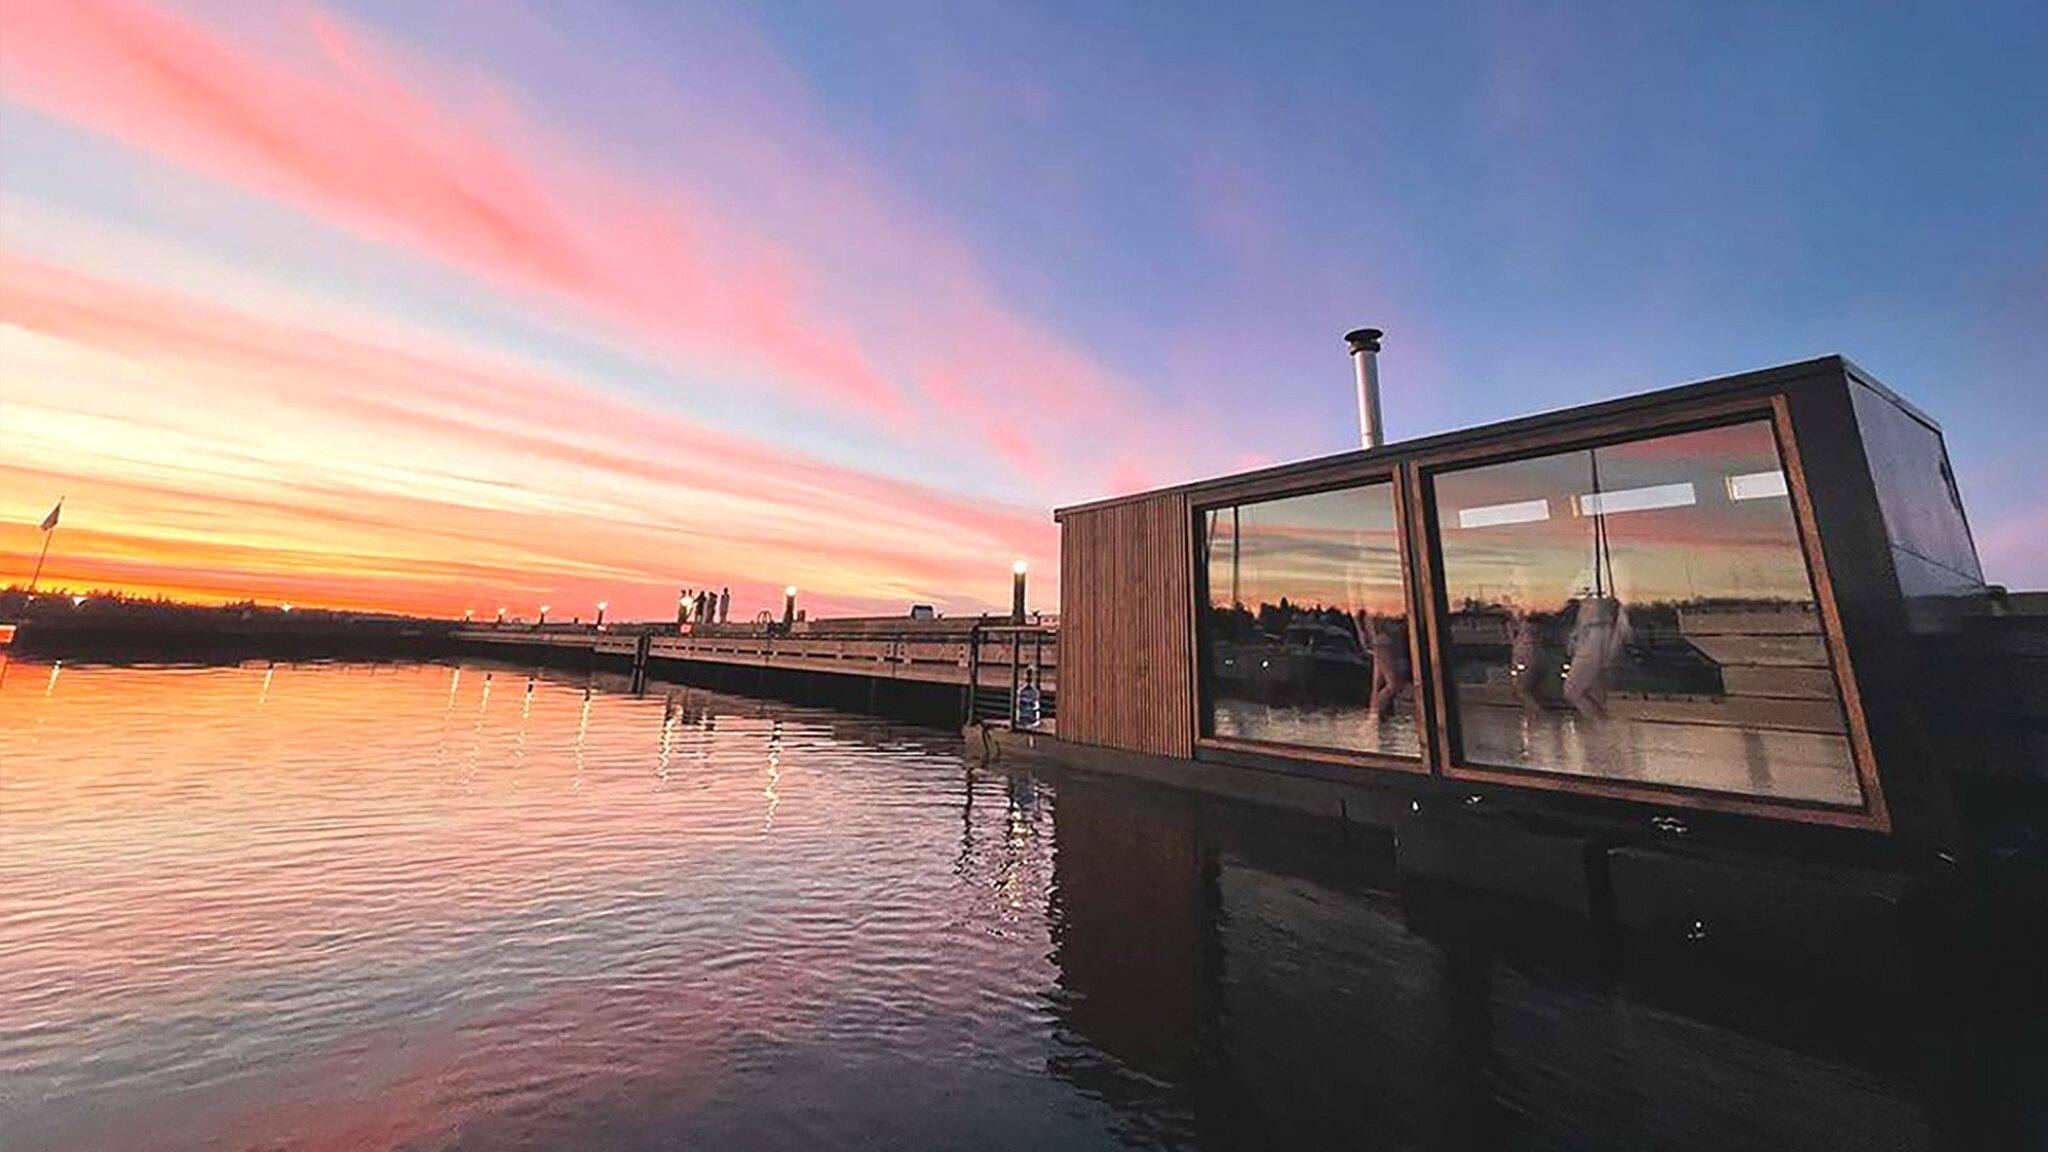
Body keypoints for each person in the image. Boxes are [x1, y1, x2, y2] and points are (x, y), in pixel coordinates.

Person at [1563, 591, 1630, 721]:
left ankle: (1601, 725)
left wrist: (1611, 653)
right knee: (1592, 693)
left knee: (1572, 691)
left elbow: (1621, 630)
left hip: (1593, 649)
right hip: (1591, 648)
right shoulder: (1589, 607)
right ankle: (1601, 726)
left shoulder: (1602, 609)